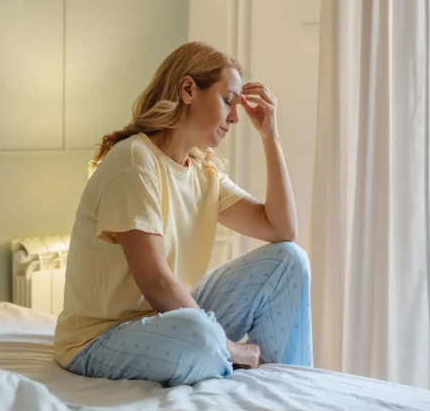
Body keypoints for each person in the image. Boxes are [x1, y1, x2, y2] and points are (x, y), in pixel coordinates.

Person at [53, 41, 311, 386]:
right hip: (100, 339)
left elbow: (281, 229)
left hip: (171, 321)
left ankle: (283, 386)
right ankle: (227, 356)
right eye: (227, 101)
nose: (235, 117)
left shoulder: (202, 172)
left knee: (289, 259)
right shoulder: (134, 161)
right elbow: (156, 282)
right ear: (188, 89)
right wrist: (229, 346)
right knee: (200, 339)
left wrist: (270, 136)